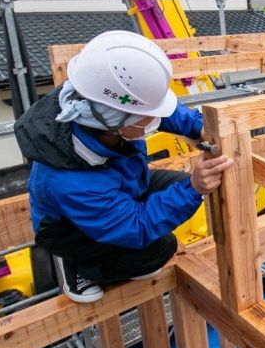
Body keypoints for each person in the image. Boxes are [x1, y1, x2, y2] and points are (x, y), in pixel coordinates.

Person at [14, 31, 233, 303]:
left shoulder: (95, 99)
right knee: (158, 250)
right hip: (70, 229)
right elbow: (135, 226)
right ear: (115, 123)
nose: (155, 120)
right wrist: (194, 189)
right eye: (146, 120)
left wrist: (198, 127)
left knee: (180, 185)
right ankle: (81, 266)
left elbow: (157, 109)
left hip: (121, 185)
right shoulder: (68, 180)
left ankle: (105, 253)